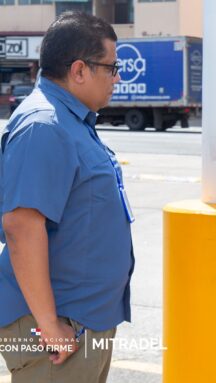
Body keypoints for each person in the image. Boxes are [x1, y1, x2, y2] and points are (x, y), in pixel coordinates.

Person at [0, 12, 134, 382]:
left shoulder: (70, 120)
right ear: (79, 70)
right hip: (59, 330)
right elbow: (21, 227)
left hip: (80, 321)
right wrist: (49, 325)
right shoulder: (45, 126)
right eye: (112, 67)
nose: (117, 77)